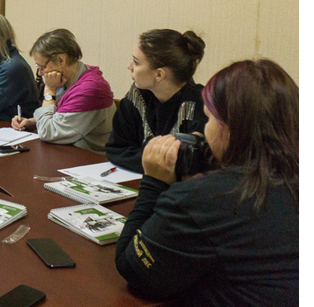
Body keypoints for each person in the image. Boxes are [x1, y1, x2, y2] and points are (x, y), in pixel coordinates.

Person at [114, 59, 299, 305]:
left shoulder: (206, 199)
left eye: (208, 119)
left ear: (227, 128)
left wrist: (154, 183)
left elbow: (135, 270)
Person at [105, 29, 206, 172]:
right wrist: (156, 163)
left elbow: (191, 165)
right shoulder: (136, 95)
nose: (129, 66)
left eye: (136, 62)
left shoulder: (202, 104)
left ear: (159, 74)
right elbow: (116, 148)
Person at [11, 29, 115, 152]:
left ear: (61, 60)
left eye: (42, 67)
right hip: (67, 153)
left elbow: (47, 133)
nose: (40, 73)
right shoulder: (70, 78)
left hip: (90, 160)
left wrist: (49, 91)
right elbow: (62, 117)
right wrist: (32, 122)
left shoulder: (89, 89)